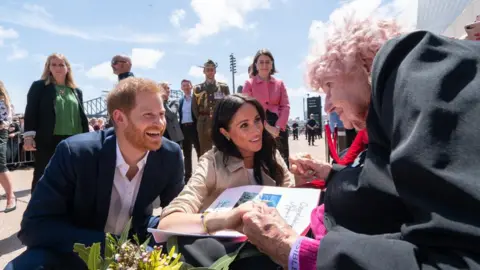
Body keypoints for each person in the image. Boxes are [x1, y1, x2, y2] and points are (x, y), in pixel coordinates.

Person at [239, 16, 480, 269]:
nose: (328, 105)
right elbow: (399, 184)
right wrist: (332, 173)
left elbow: (462, 260)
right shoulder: (399, 91)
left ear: (364, 63)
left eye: (329, 86)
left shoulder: (419, 75)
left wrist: (295, 250)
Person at [7, 77, 185, 269]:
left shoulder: (169, 155)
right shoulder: (76, 153)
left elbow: (176, 212)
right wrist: (116, 248)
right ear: (119, 118)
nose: (159, 123)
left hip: (137, 247)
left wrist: (208, 223)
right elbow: (34, 228)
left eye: (161, 114)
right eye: (148, 115)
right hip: (74, 253)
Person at [158, 94, 295, 268]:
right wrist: (226, 219)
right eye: (244, 125)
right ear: (225, 132)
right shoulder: (211, 163)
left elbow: (292, 195)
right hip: (229, 257)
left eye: (257, 120)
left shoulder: (270, 154)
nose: (256, 131)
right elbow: (168, 221)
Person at [23, 53, 89, 192]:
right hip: (48, 139)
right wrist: (28, 137)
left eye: (61, 64)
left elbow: (81, 117)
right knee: (43, 174)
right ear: (48, 68)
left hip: (74, 140)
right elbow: (31, 111)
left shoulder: (76, 91)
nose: (58, 68)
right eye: (54, 64)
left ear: (67, 68)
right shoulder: (39, 86)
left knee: (71, 176)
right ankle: (37, 209)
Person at [242, 49, 290, 165]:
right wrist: (266, 127)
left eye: (267, 62)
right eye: (261, 62)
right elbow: (246, 108)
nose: (264, 65)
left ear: (272, 64)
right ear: (256, 65)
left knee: (282, 161)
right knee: (262, 161)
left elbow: (286, 106)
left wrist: (278, 127)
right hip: (257, 125)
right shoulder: (249, 84)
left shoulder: (280, 83)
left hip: (279, 125)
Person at [192, 59, 230, 155]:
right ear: (204, 71)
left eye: (212, 69)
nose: (210, 72)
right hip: (203, 123)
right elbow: (194, 108)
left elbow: (228, 105)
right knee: (205, 151)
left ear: (215, 71)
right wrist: (202, 118)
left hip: (219, 122)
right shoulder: (197, 89)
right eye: (208, 69)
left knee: (221, 148)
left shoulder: (223, 88)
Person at [179, 79, 200, 182]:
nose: (186, 87)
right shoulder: (180, 101)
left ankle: (200, 175)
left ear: (191, 86)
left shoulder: (196, 99)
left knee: (199, 151)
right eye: (184, 86)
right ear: (181, 88)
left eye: (188, 85)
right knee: (187, 154)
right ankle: (188, 177)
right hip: (184, 129)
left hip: (194, 128)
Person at [0, 81, 15, 212]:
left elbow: (8, 118)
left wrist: (4, 124)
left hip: (0, 131)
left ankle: (11, 197)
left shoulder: (4, 100)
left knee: (0, 164)